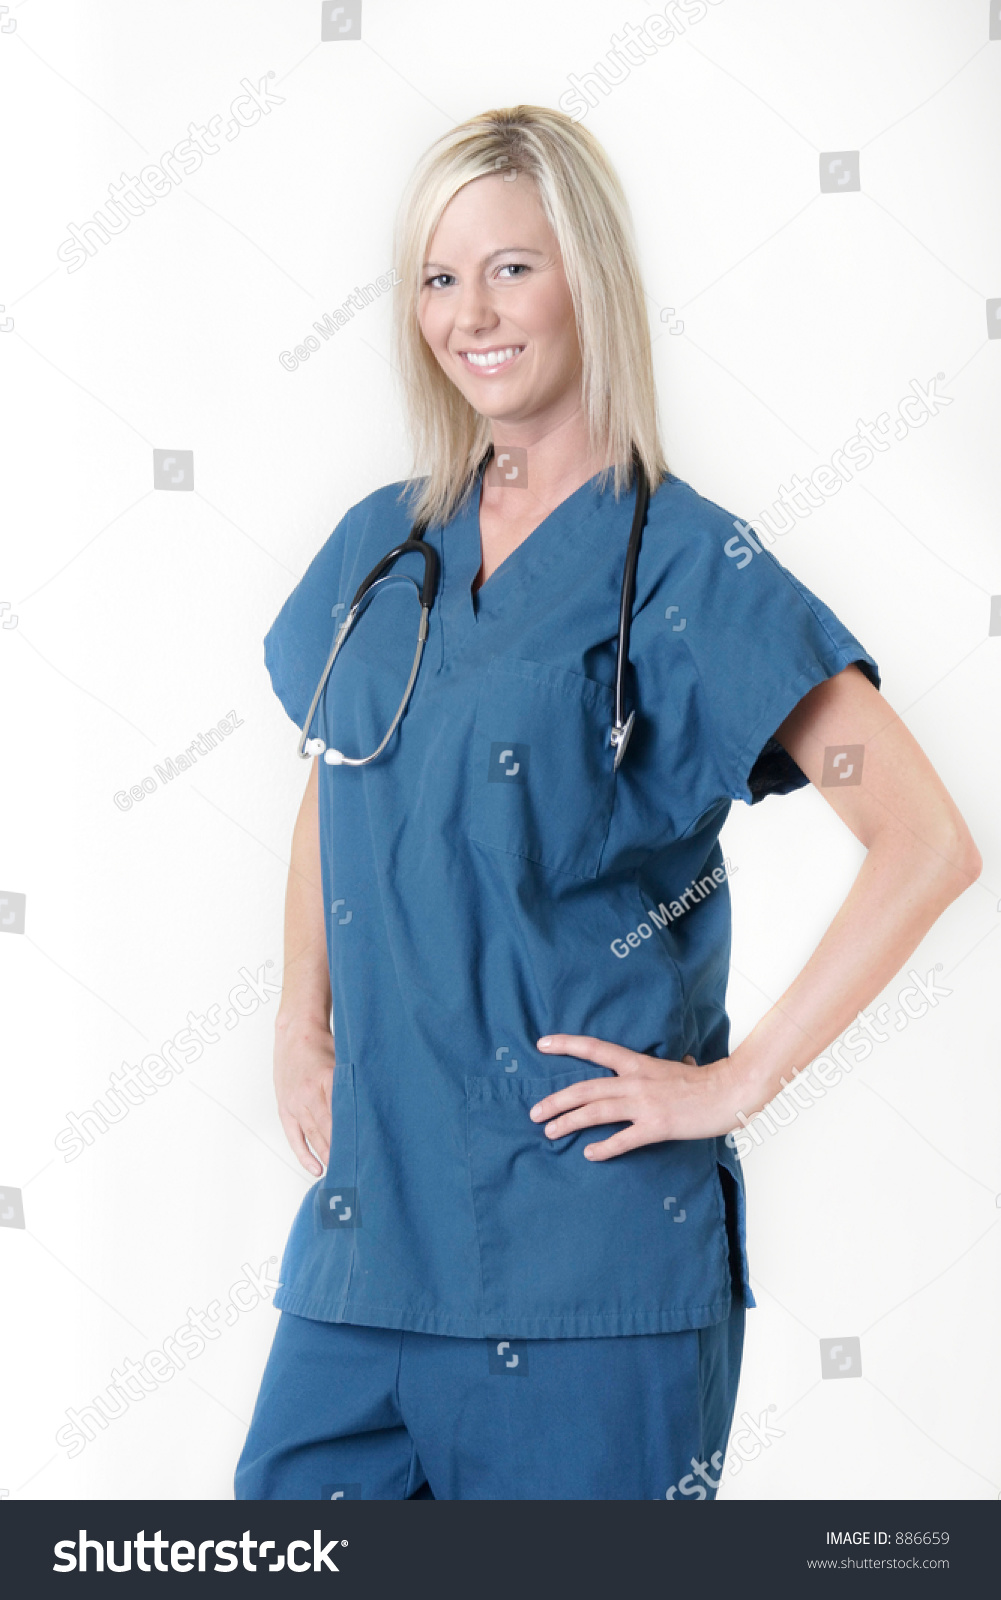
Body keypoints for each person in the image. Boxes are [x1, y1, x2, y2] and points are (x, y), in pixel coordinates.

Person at [234, 105, 980, 1502]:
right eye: (438, 277)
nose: (470, 314)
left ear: (589, 278)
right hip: (365, 1256)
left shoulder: (692, 569)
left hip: (589, 1278)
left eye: (511, 267)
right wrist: (298, 1022)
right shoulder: (379, 547)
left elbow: (926, 843)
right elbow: (340, 771)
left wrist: (733, 1081)